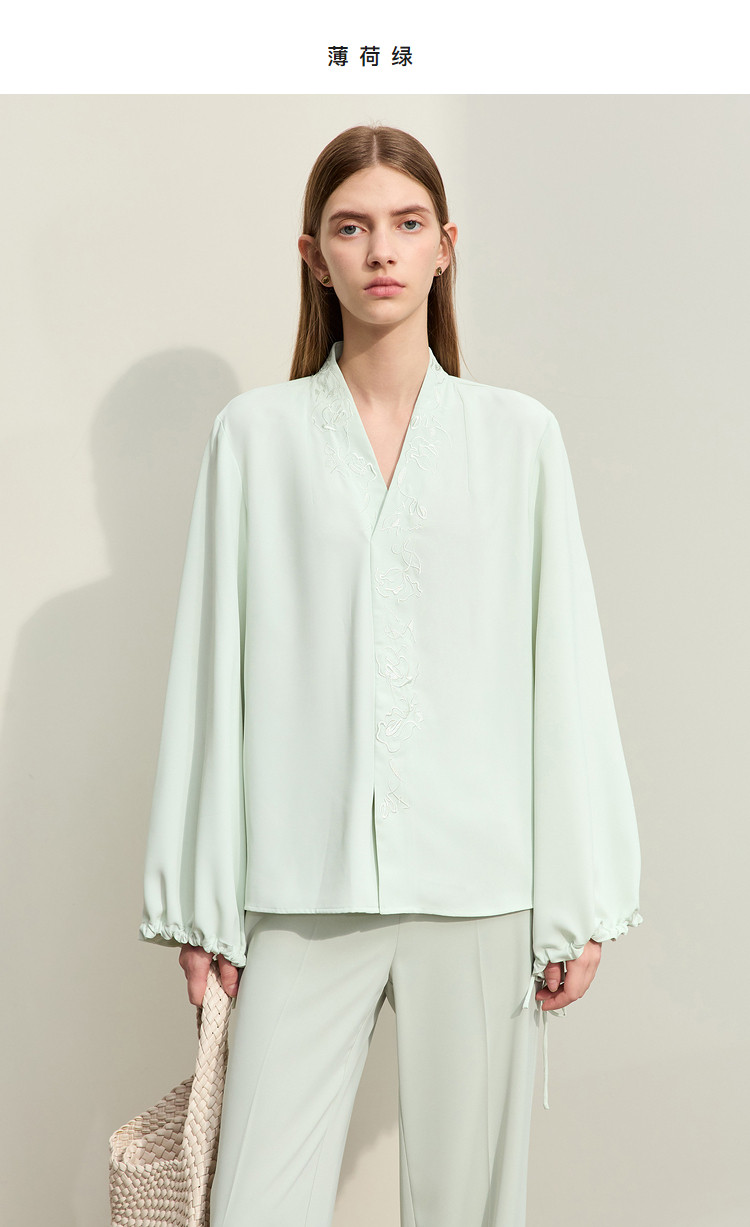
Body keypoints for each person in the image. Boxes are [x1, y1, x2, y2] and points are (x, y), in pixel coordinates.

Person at [137, 124, 643, 1226]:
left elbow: (562, 670)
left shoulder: (519, 439)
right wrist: (203, 902)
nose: (381, 251)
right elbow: (212, 674)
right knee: (255, 1203)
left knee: (469, 1207)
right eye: (352, 227)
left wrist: (579, 900)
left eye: (407, 225)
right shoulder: (254, 438)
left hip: (481, 885)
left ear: (445, 246)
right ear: (313, 255)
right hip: (302, 884)